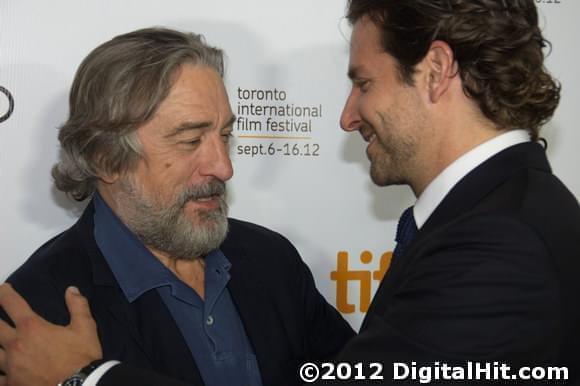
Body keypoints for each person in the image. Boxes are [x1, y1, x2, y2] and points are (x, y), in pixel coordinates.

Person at [0, 27, 354, 386]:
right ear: (106, 159)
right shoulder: (39, 316)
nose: (223, 167)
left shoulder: (271, 260)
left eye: (225, 136)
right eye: (190, 141)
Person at [330, 0, 580, 384]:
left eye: (364, 84)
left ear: (435, 70)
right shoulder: (510, 209)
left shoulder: (498, 244)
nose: (348, 117)